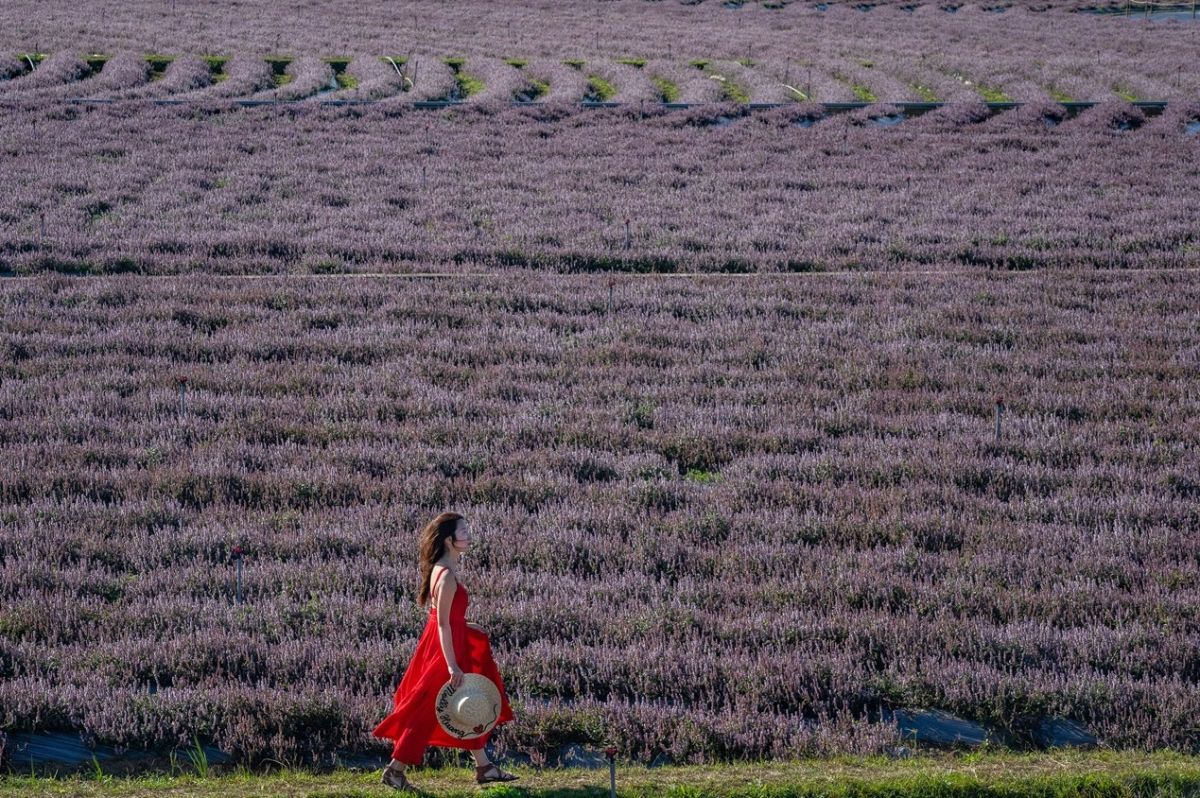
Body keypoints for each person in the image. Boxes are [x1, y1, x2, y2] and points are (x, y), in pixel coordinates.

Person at [372, 512, 518, 792]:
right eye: (464, 531)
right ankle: (394, 769)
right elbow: (442, 624)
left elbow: (442, 615)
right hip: (444, 650)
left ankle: (485, 766)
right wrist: (452, 666)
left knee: (461, 701)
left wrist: (468, 627)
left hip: (445, 644)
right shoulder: (447, 576)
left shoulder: (439, 568)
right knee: (430, 709)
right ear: (450, 540)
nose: (469, 536)